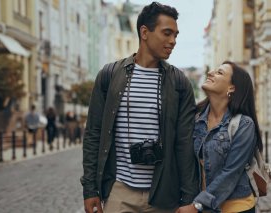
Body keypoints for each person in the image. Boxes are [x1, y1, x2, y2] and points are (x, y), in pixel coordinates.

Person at [81, 2, 198, 213]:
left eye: (176, 35)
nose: (173, 41)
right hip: (119, 192)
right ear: (144, 32)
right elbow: (93, 134)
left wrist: (188, 198)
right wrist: (90, 190)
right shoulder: (109, 76)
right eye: (167, 33)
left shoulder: (179, 83)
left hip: (163, 194)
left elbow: (185, 143)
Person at [177, 62, 263, 213]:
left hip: (236, 207)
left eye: (219, 73)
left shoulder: (244, 124)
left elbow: (231, 173)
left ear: (232, 88)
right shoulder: (196, 119)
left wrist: (197, 206)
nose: (210, 72)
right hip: (206, 207)